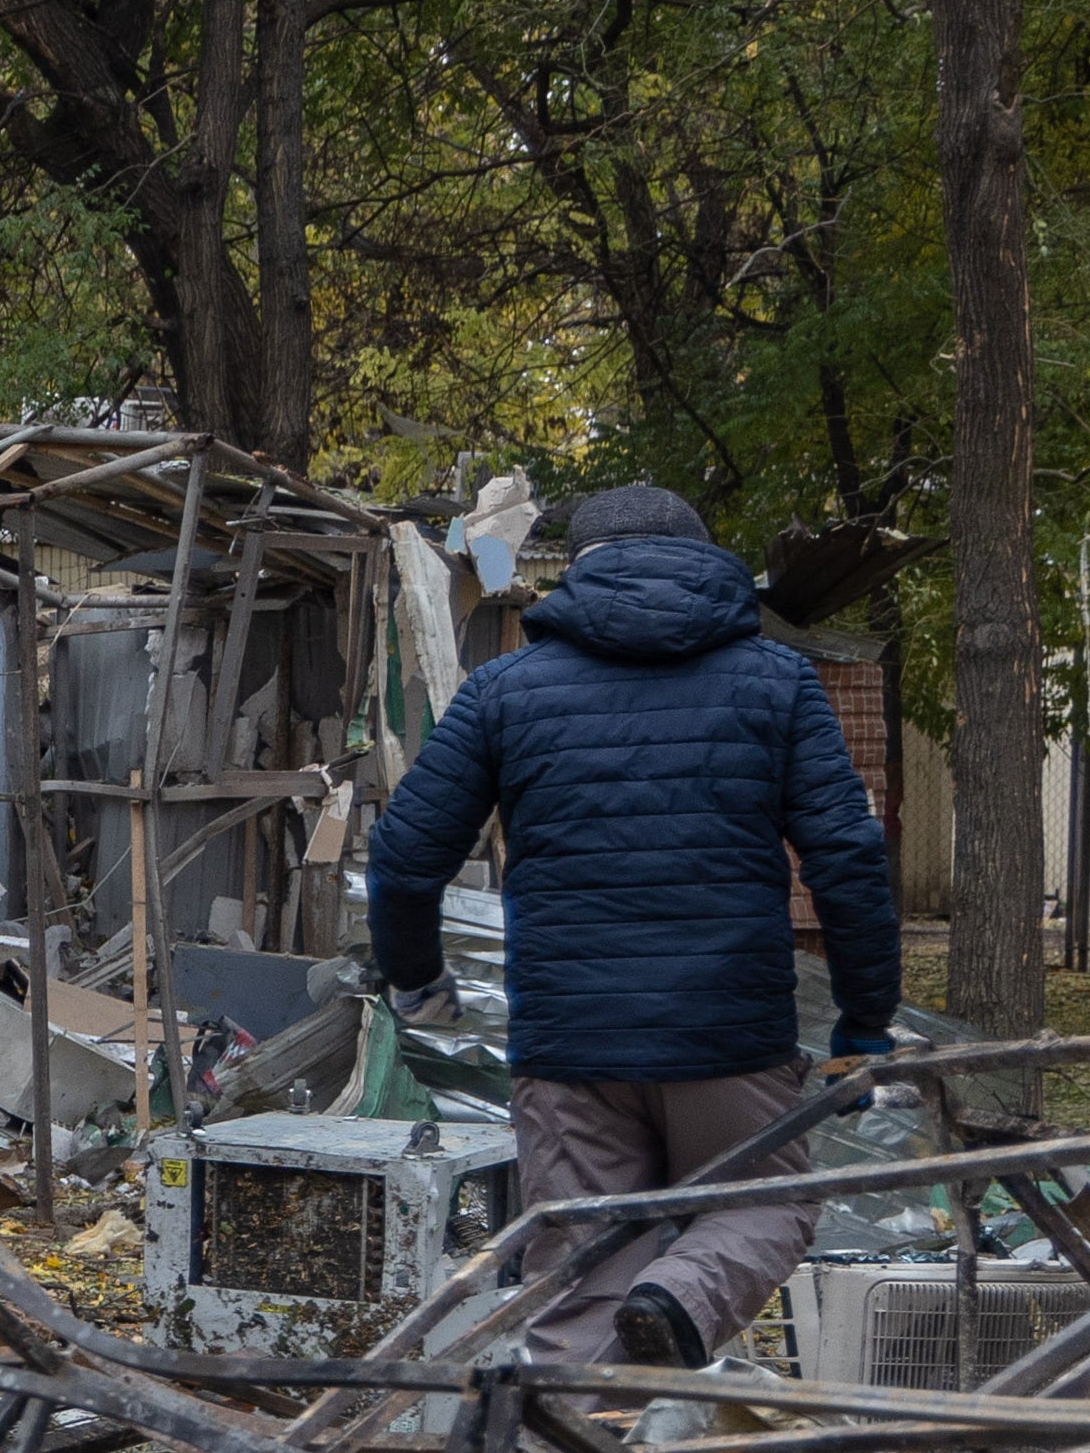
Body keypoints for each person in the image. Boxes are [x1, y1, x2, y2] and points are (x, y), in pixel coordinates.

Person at [363, 482, 900, 1366]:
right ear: (705, 564)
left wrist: (418, 982)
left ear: (574, 571)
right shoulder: (777, 684)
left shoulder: (505, 690)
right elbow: (846, 857)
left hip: (571, 1043)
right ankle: (677, 1298)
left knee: (583, 1273)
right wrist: (865, 1021)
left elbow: (406, 857)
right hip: (730, 1037)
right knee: (760, 1204)